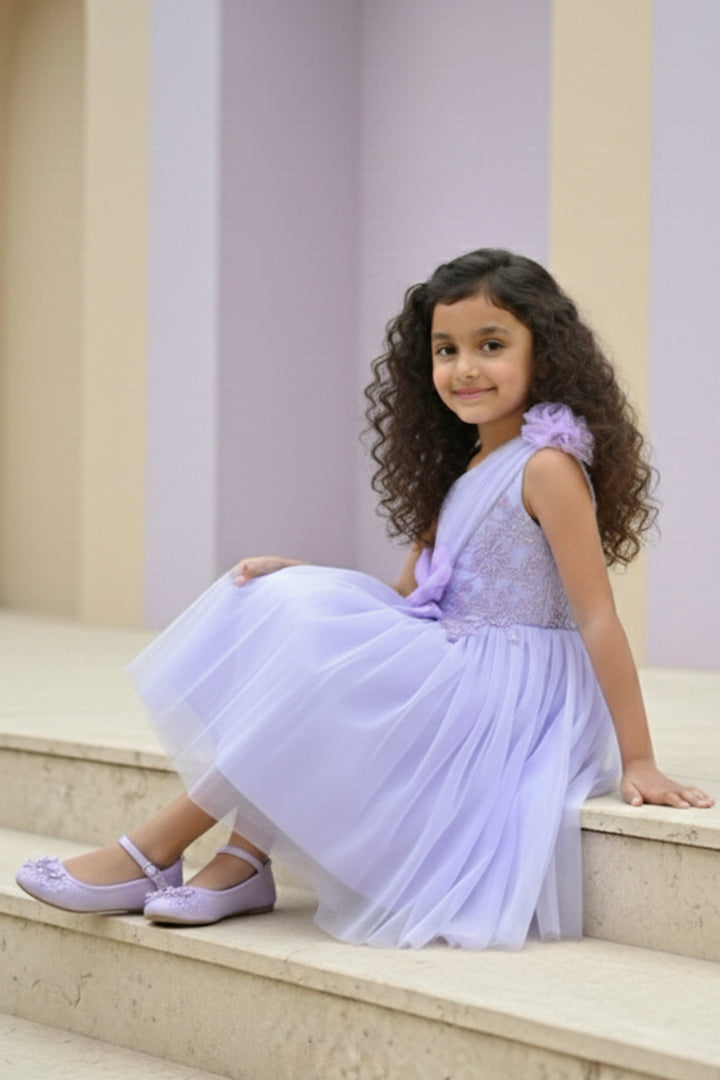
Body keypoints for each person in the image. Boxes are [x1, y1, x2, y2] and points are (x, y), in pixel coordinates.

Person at [16, 248, 714, 950]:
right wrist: (304, 576)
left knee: (331, 668)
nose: (465, 368)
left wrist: (640, 760)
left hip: (519, 688)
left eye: (491, 345)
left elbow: (597, 616)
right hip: (461, 655)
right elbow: (407, 597)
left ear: (547, 354)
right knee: (295, 616)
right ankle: (240, 861)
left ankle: (154, 852)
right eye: (446, 349)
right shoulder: (470, 466)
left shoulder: (548, 466)